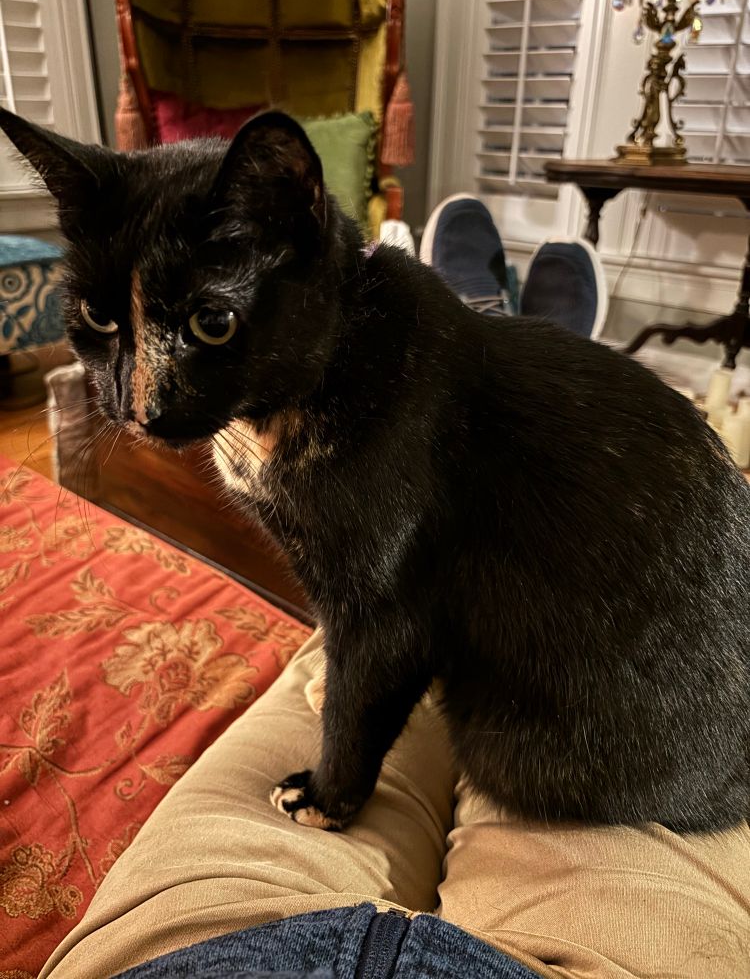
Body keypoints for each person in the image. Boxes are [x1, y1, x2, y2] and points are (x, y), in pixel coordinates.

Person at [40, 199, 750, 979]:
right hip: (649, 724)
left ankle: (463, 410)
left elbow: (376, 621)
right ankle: (488, 364)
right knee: (390, 588)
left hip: (604, 748)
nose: (135, 402)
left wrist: (335, 788)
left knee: (369, 620)